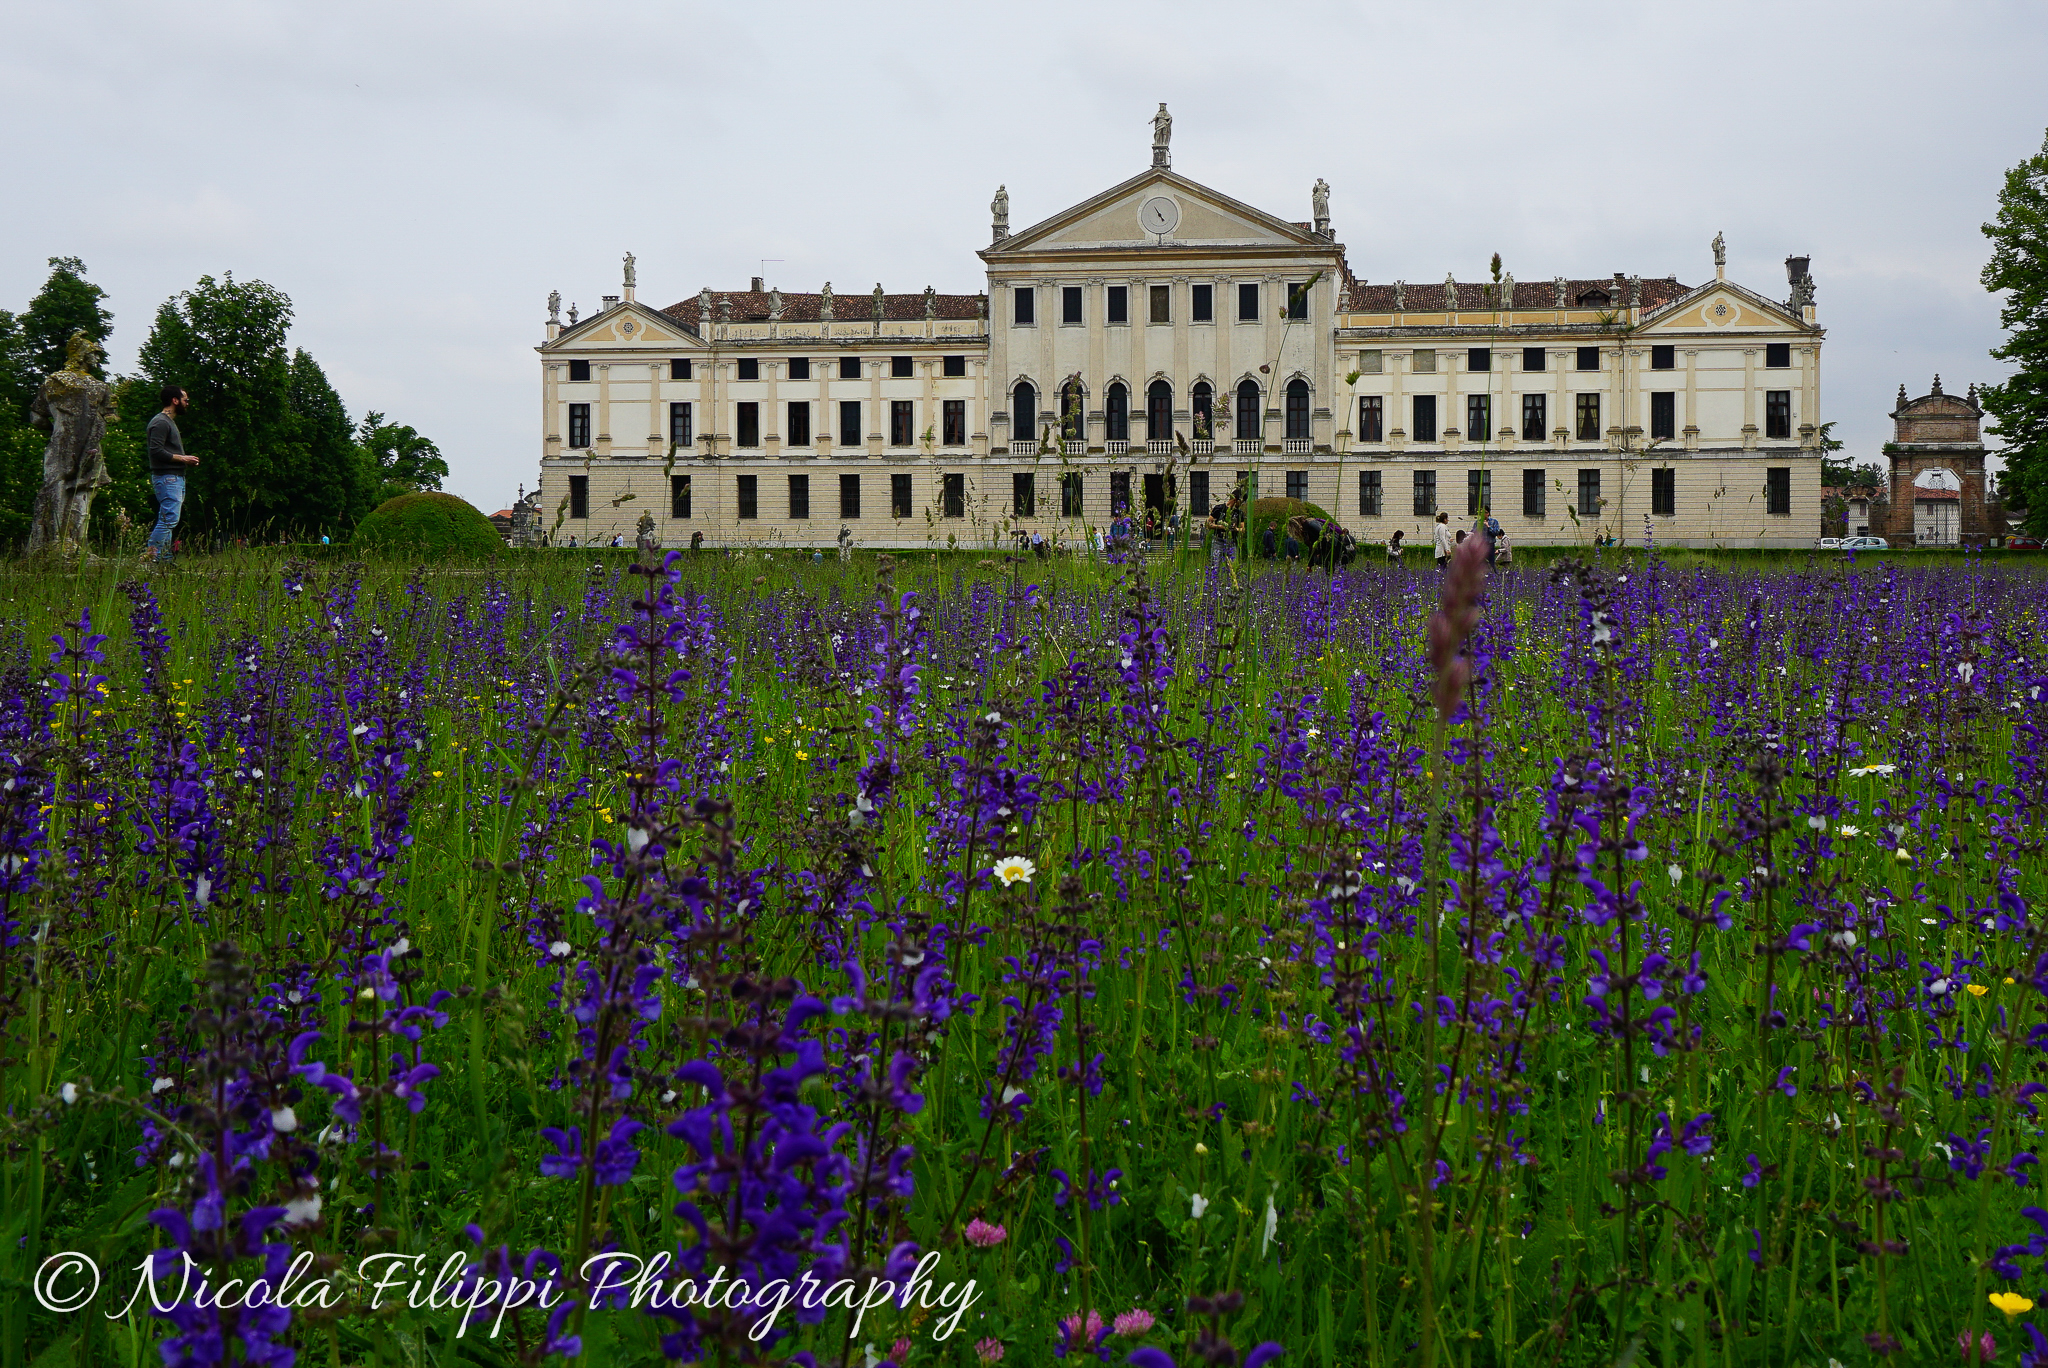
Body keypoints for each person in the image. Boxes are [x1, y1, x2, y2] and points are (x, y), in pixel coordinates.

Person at [144, 385, 199, 564]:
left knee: (168, 519)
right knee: (169, 519)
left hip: (173, 477)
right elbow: (156, 451)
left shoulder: (168, 422)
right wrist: (183, 458)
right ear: (175, 401)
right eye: (185, 400)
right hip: (167, 478)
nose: (187, 403)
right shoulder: (160, 422)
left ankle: (164, 561)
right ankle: (150, 558)